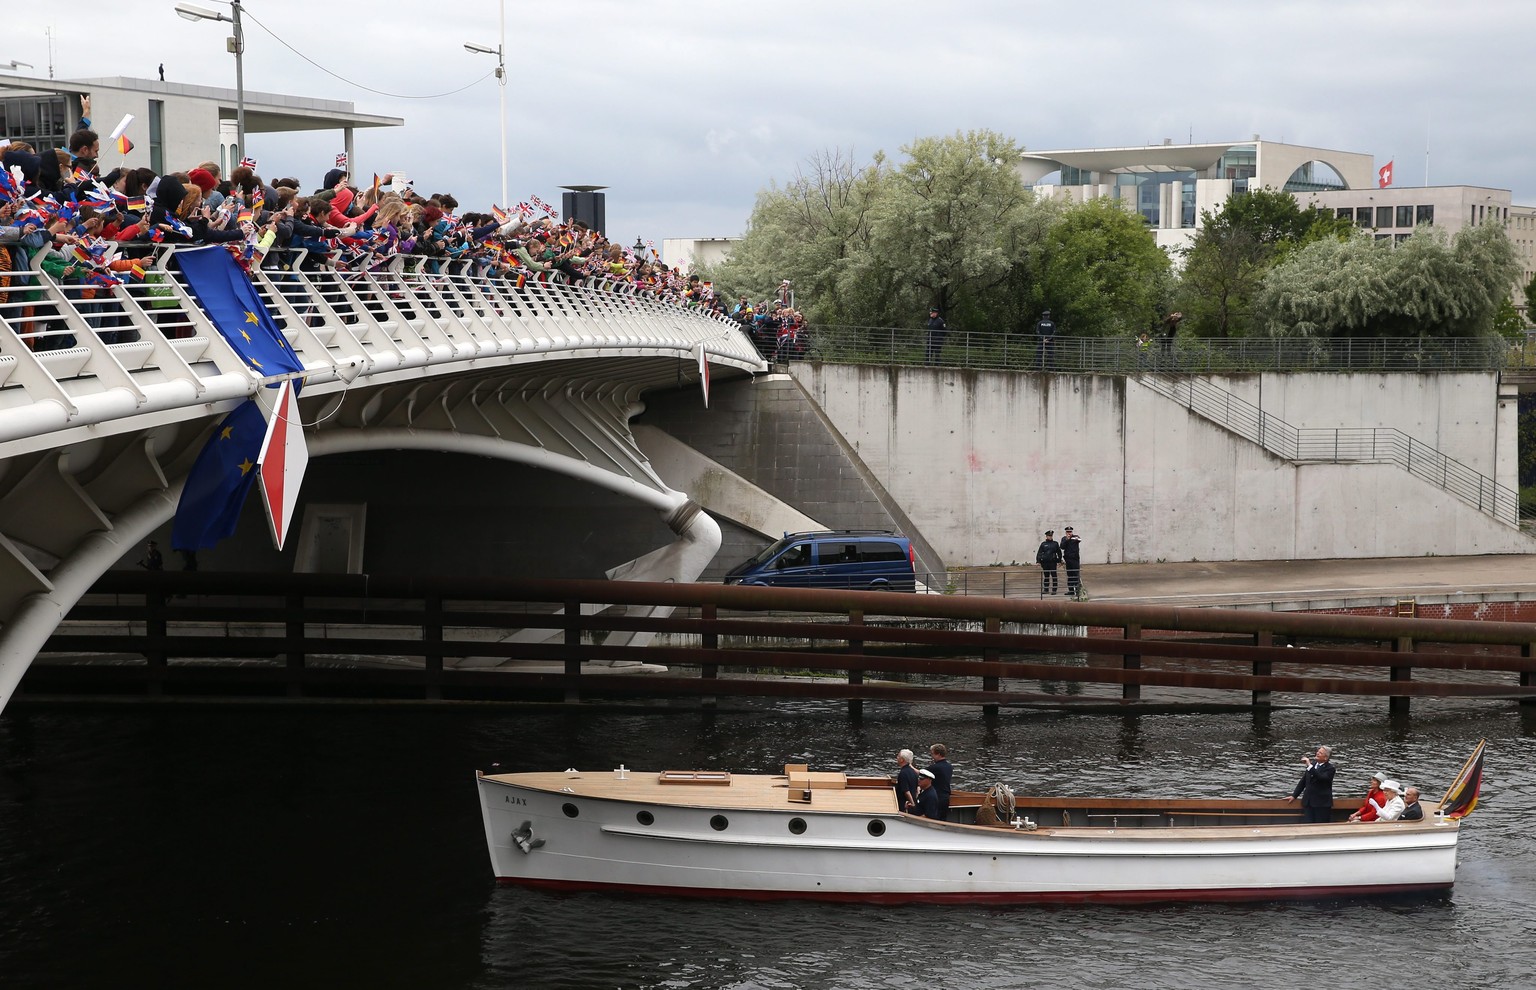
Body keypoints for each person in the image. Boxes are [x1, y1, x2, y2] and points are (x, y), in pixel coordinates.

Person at [1286, 745, 1336, 823]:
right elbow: (1303, 781)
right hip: (1308, 802)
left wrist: (1309, 766)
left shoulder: (1330, 769)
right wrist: (1294, 795)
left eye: (1320, 753)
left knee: (1320, 826)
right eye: (1318, 751)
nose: (1317, 753)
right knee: (1308, 825)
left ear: (1326, 758)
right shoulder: (1313, 765)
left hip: (1321, 804)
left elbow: (1321, 778)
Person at [927, 744, 952, 818]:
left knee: (934, 817)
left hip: (937, 797)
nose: (932, 756)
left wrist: (909, 766)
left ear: (938, 754)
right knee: (943, 818)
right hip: (946, 797)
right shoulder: (949, 767)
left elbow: (921, 772)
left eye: (932, 754)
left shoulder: (936, 767)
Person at [1035, 530, 1061, 596]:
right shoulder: (1043, 544)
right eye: (1049, 536)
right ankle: (1046, 589)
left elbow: (1059, 553)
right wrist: (1038, 561)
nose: (1050, 537)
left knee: (1054, 576)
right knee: (1046, 576)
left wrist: (1059, 561)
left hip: (1053, 562)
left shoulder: (1055, 543)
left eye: (1051, 536)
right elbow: (1039, 553)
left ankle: (1054, 590)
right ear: (1046, 536)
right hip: (1045, 563)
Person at [894, 749, 919, 813]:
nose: (897, 757)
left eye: (898, 756)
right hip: (912, 801)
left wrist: (912, 803)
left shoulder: (903, 773)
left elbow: (906, 791)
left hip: (904, 804)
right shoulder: (913, 772)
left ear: (902, 760)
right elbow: (917, 789)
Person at [1060, 526, 1082, 597]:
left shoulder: (1075, 537)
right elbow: (1062, 546)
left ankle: (1077, 590)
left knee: (1076, 574)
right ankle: (1071, 590)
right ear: (1066, 532)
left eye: (1070, 532)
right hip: (1068, 559)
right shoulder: (1064, 539)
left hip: (1075, 559)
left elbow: (1079, 539)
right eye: (1067, 532)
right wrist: (1067, 539)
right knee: (1070, 575)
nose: (1069, 533)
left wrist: (1071, 537)